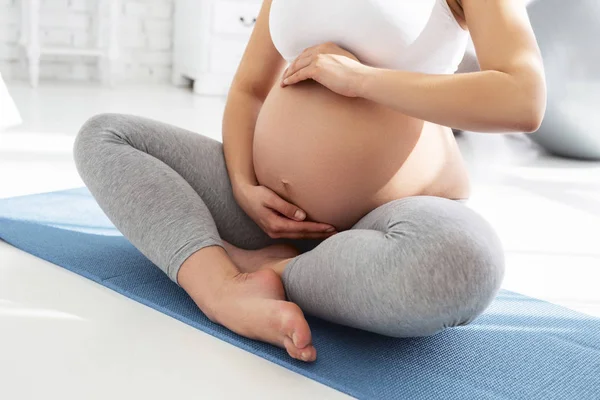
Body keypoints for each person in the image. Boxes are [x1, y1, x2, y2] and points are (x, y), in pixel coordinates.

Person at [73, 0, 546, 363]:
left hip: (388, 224)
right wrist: (242, 184)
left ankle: (274, 273)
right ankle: (220, 288)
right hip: (266, 212)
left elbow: (522, 97)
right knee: (107, 137)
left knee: (467, 261)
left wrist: (362, 80)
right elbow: (249, 90)